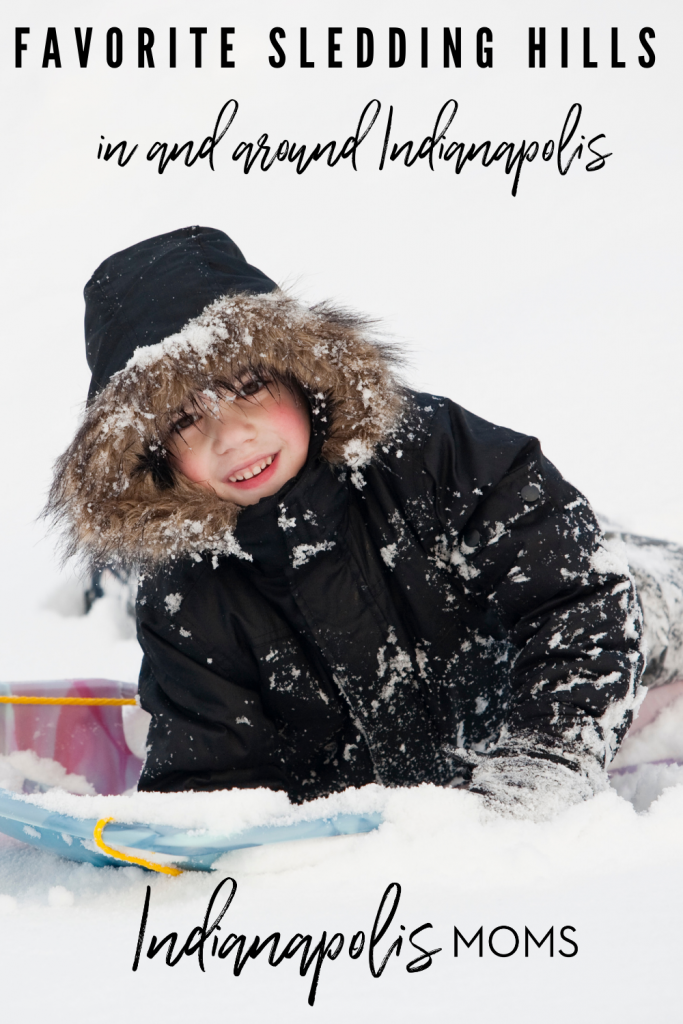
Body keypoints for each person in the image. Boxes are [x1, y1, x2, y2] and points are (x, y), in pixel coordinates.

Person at [46, 225, 646, 819]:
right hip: (379, 782)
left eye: (250, 387)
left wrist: (545, 761)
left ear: (300, 373)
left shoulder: (428, 452)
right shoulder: (186, 596)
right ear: (152, 454)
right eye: (183, 423)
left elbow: (579, 602)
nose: (232, 437)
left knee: (644, 589)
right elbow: (217, 774)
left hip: (548, 670)